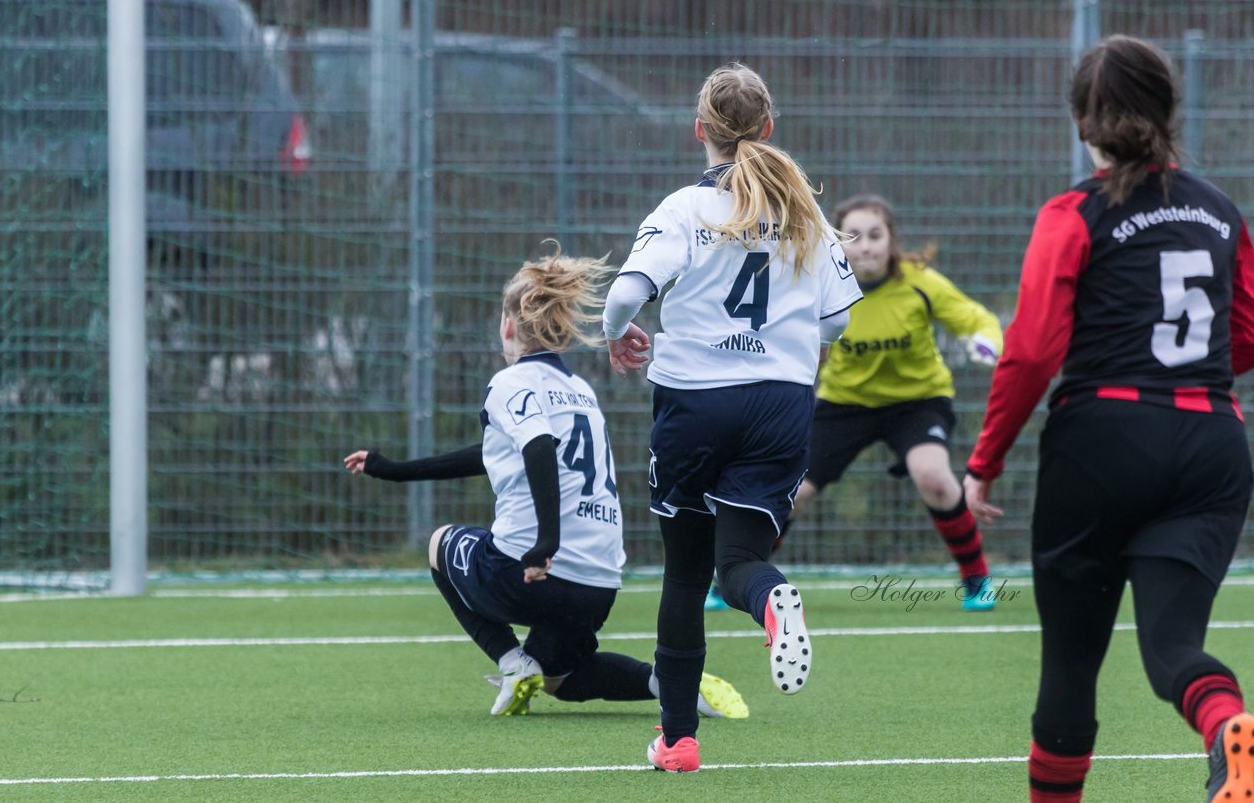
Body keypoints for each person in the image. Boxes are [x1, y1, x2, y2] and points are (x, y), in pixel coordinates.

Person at [961, 35, 1254, 802]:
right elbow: (1246, 334)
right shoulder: (1222, 212)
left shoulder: (1075, 212)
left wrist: (984, 460)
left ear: (1084, 124)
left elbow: (1030, 353)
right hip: (1212, 442)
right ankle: (1226, 722)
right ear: (1167, 110)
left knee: (1070, 664)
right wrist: (1185, 376)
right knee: (1173, 645)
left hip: (1103, 442)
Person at [345, 242, 748, 721]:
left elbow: (538, 449)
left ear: (509, 324)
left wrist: (544, 544)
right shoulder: (579, 391)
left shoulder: (511, 383)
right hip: (598, 587)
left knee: (440, 543)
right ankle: (669, 682)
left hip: (531, 575)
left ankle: (513, 663)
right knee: (563, 680)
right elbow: (499, 455)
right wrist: (395, 469)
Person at [603, 62, 863, 772]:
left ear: (701, 132)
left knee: (686, 575)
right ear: (768, 129)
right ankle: (773, 599)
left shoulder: (687, 208)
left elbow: (627, 294)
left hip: (696, 401)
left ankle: (679, 741)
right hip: (781, 403)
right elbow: (838, 321)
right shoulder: (806, 213)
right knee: (740, 561)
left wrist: (614, 334)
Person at [733, 193, 1002, 613]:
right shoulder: (821, 284)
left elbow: (976, 319)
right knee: (793, 490)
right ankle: (739, 576)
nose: (866, 245)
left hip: (918, 401)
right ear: (837, 244)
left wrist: (986, 341)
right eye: (854, 236)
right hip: (844, 403)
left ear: (892, 240)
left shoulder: (920, 283)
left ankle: (977, 580)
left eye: (875, 235)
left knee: (932, 476)